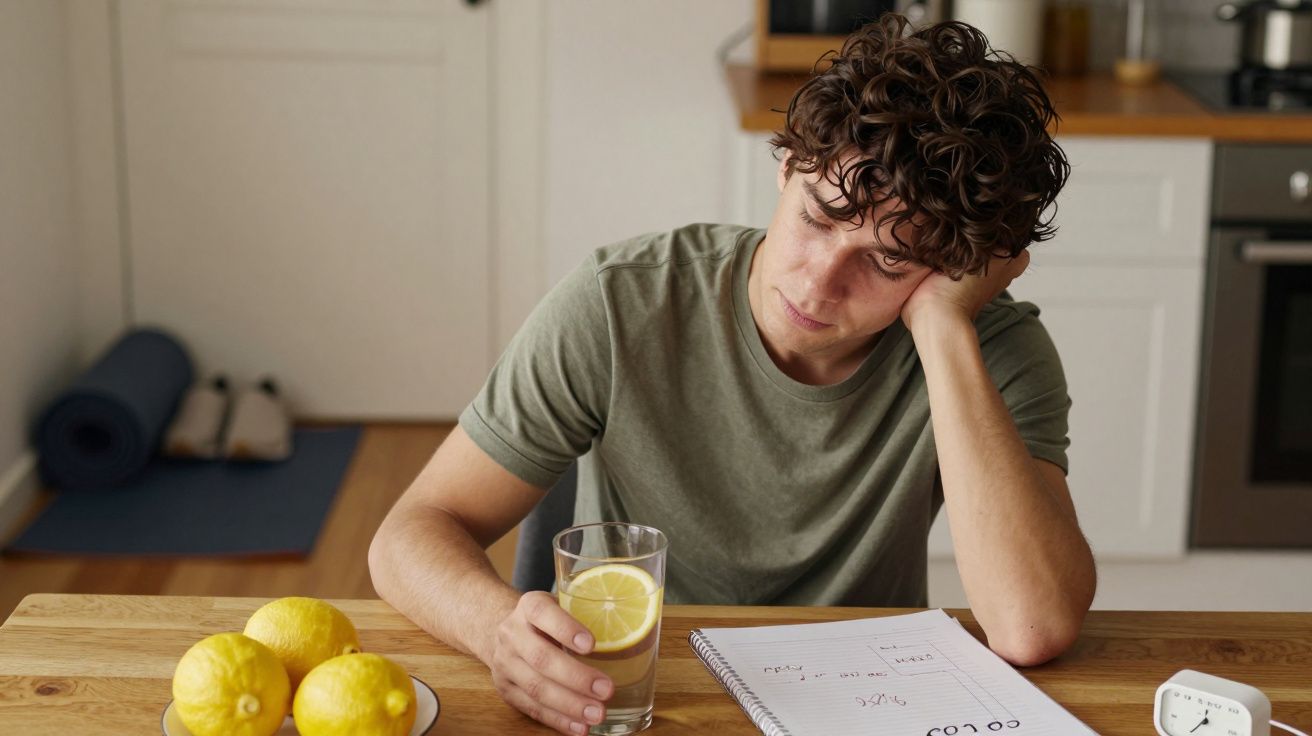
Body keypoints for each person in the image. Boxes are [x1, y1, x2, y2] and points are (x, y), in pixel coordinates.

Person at [369, 14, 1096, 736]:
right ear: (787, 167)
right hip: (638, 693)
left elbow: (1029, 626)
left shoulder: (991, 349)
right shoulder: (621, 302)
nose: (817, 284)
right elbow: (410, 535)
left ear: (958, 269)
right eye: (817, 218)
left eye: (887, 261)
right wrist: (497, 628)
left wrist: (941, 327)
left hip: (866, 708)